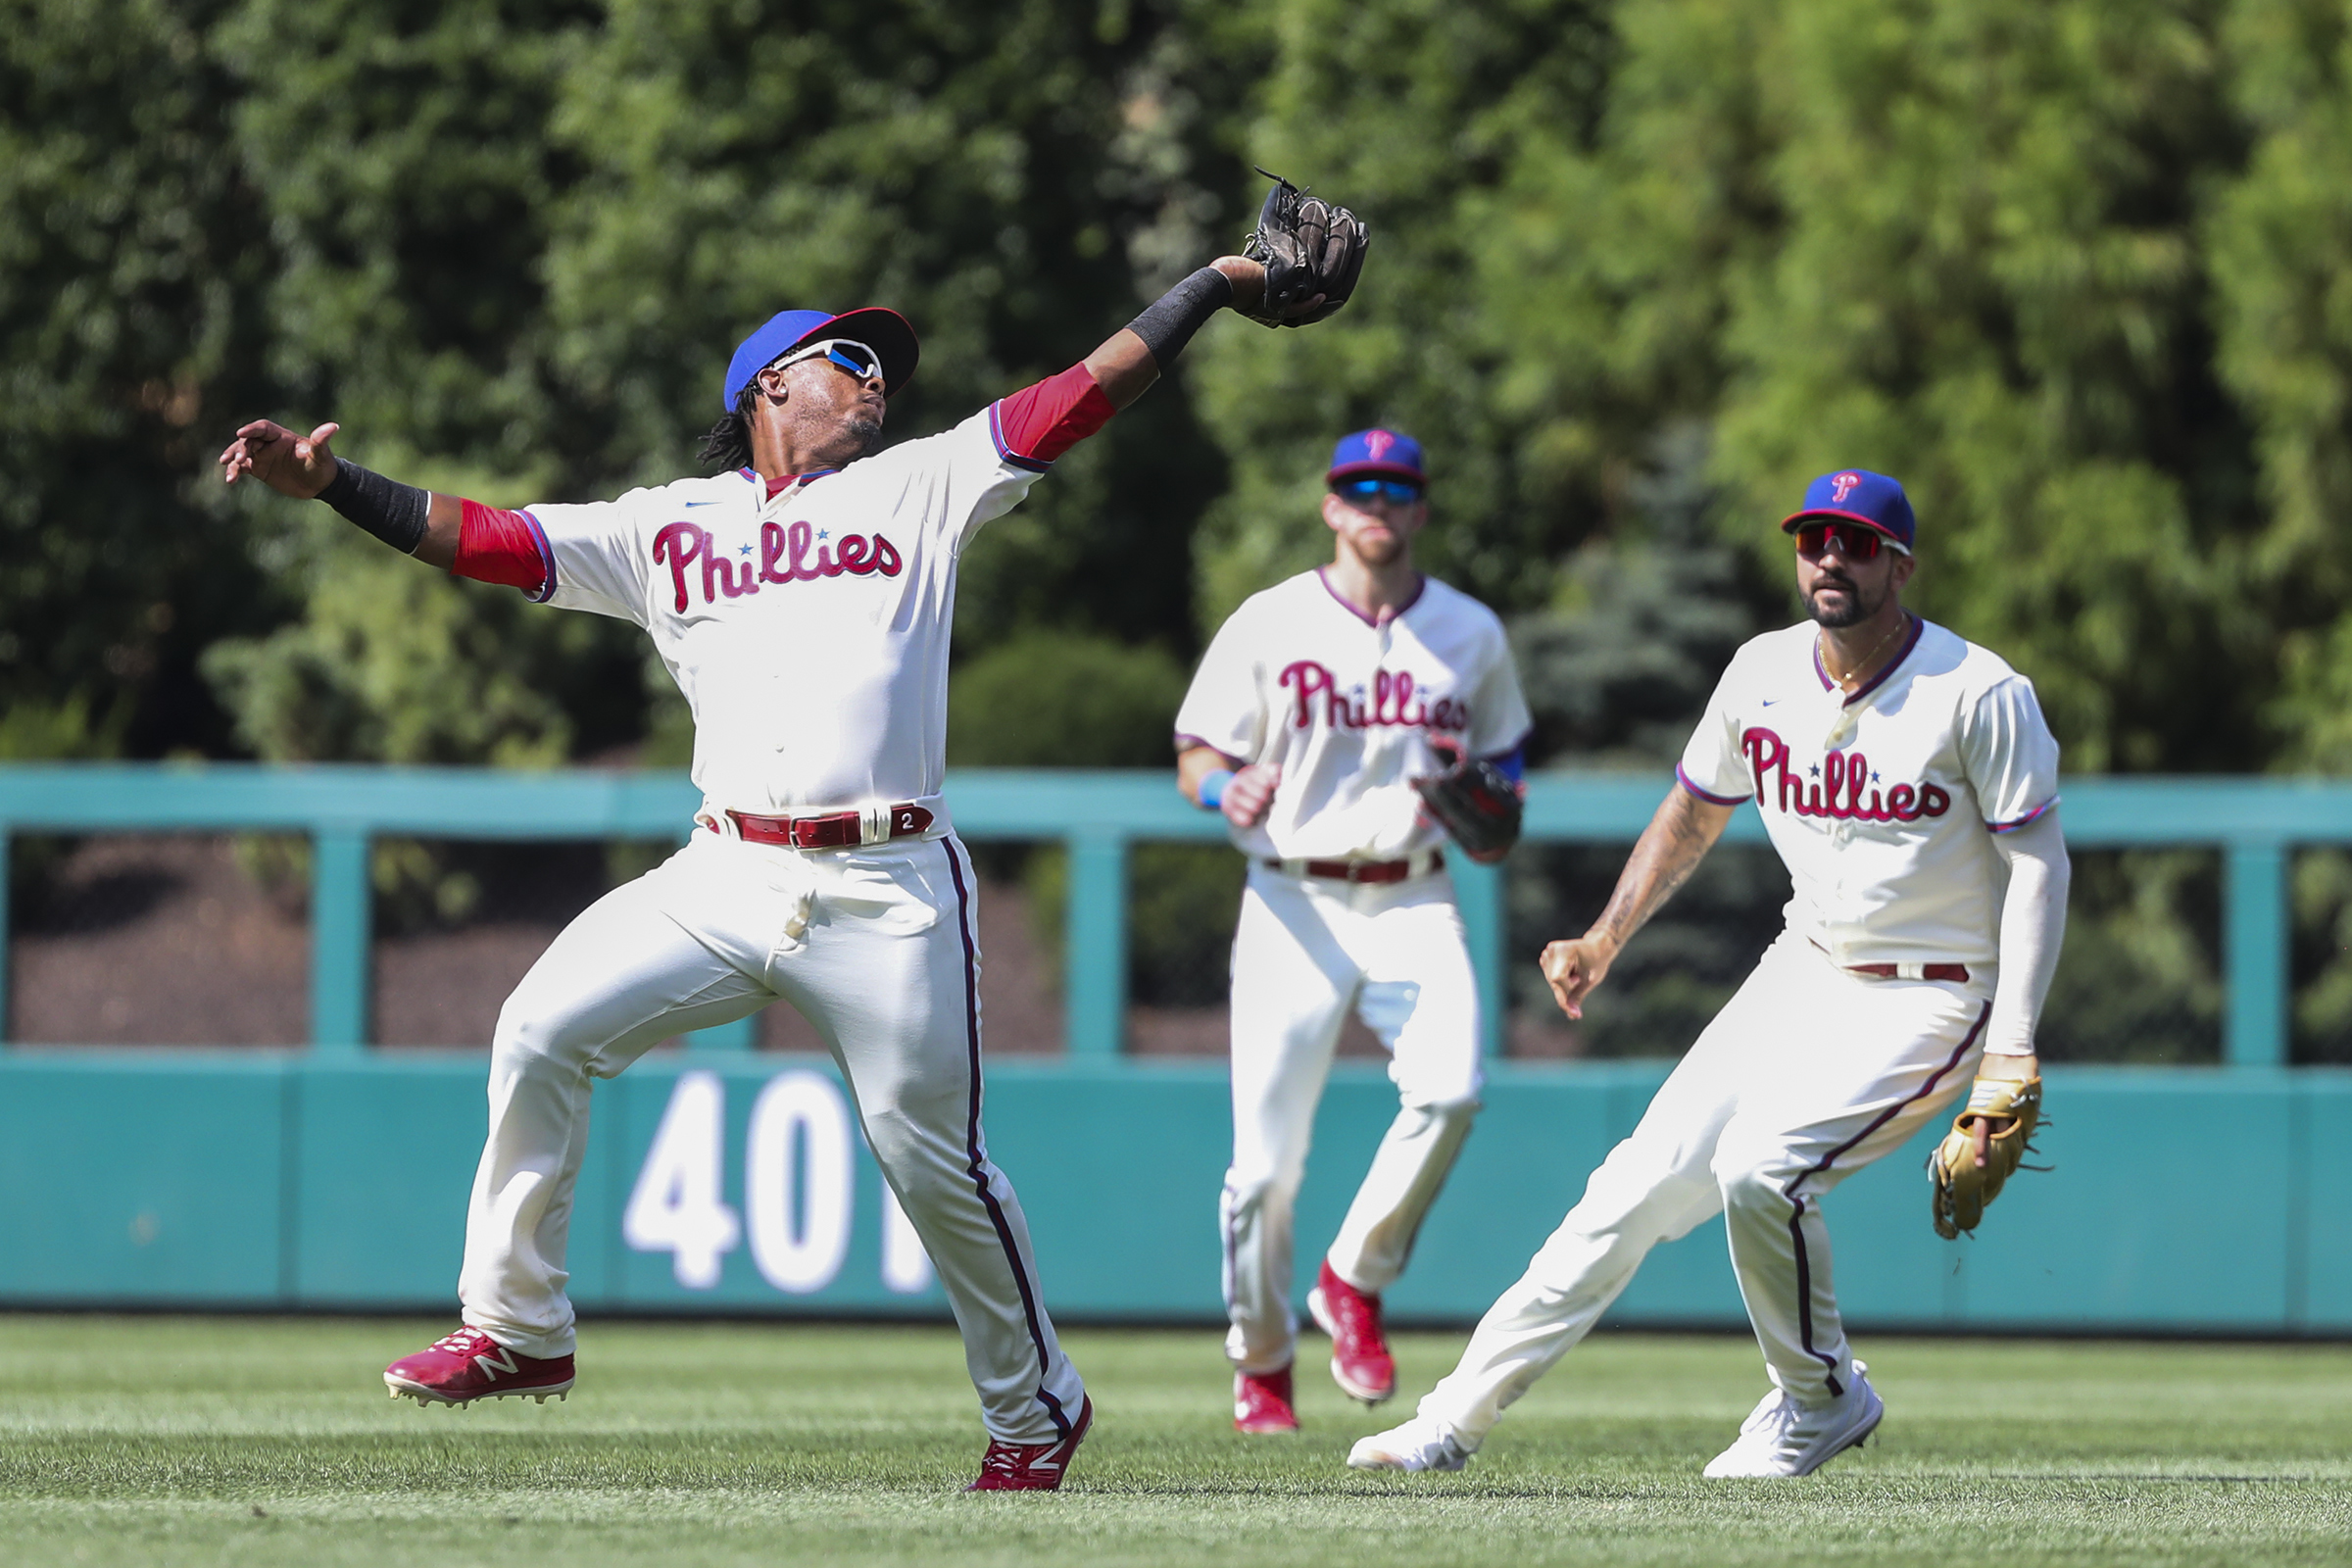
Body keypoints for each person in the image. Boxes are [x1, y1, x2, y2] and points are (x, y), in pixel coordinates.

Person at [219, 254, 1331, 1493]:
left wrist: (1214, 286)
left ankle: (1035, 1407)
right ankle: (520, 1329)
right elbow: (487, 538)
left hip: (891, 880)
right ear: (768, 388)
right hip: (724, 872)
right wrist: (332, 488)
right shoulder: (666, 527)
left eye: (880, 369)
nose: (874, 384)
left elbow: (1080, 392)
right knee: (537, 1024)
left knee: (930, 1159)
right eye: (848, 363)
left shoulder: (923, 483)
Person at [1348, 469, 2069, 1478]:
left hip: (1935, 988)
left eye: (1856, 542)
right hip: (1807, 964)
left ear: (1899, 564)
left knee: (1761, 1169)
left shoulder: (1977, 691)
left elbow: (2040, 864)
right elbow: (1694, 809)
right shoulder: (1761, 671)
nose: (1830, 555)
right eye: (1814, 536)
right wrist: (1605, 937)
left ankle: (1818, 1399)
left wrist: (2012, 1050)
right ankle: (1451, 1417)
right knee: (1630, 1187)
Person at [1172, 430, 1532, 1434]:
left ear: (1419, 510)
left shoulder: (1469, 631)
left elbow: (1506, 765)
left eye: (1397, 487)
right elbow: (1194, 751)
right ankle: (1262, 1364)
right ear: (1332, 506)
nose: (1377, 502)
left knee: (1453, 1090)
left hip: (1413, 892)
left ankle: (1351, 1276)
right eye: (1358, 487)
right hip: (1292, 897)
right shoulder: (1269, 619)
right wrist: (1217, 786)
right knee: (1262, 1171)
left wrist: (1496, 801)